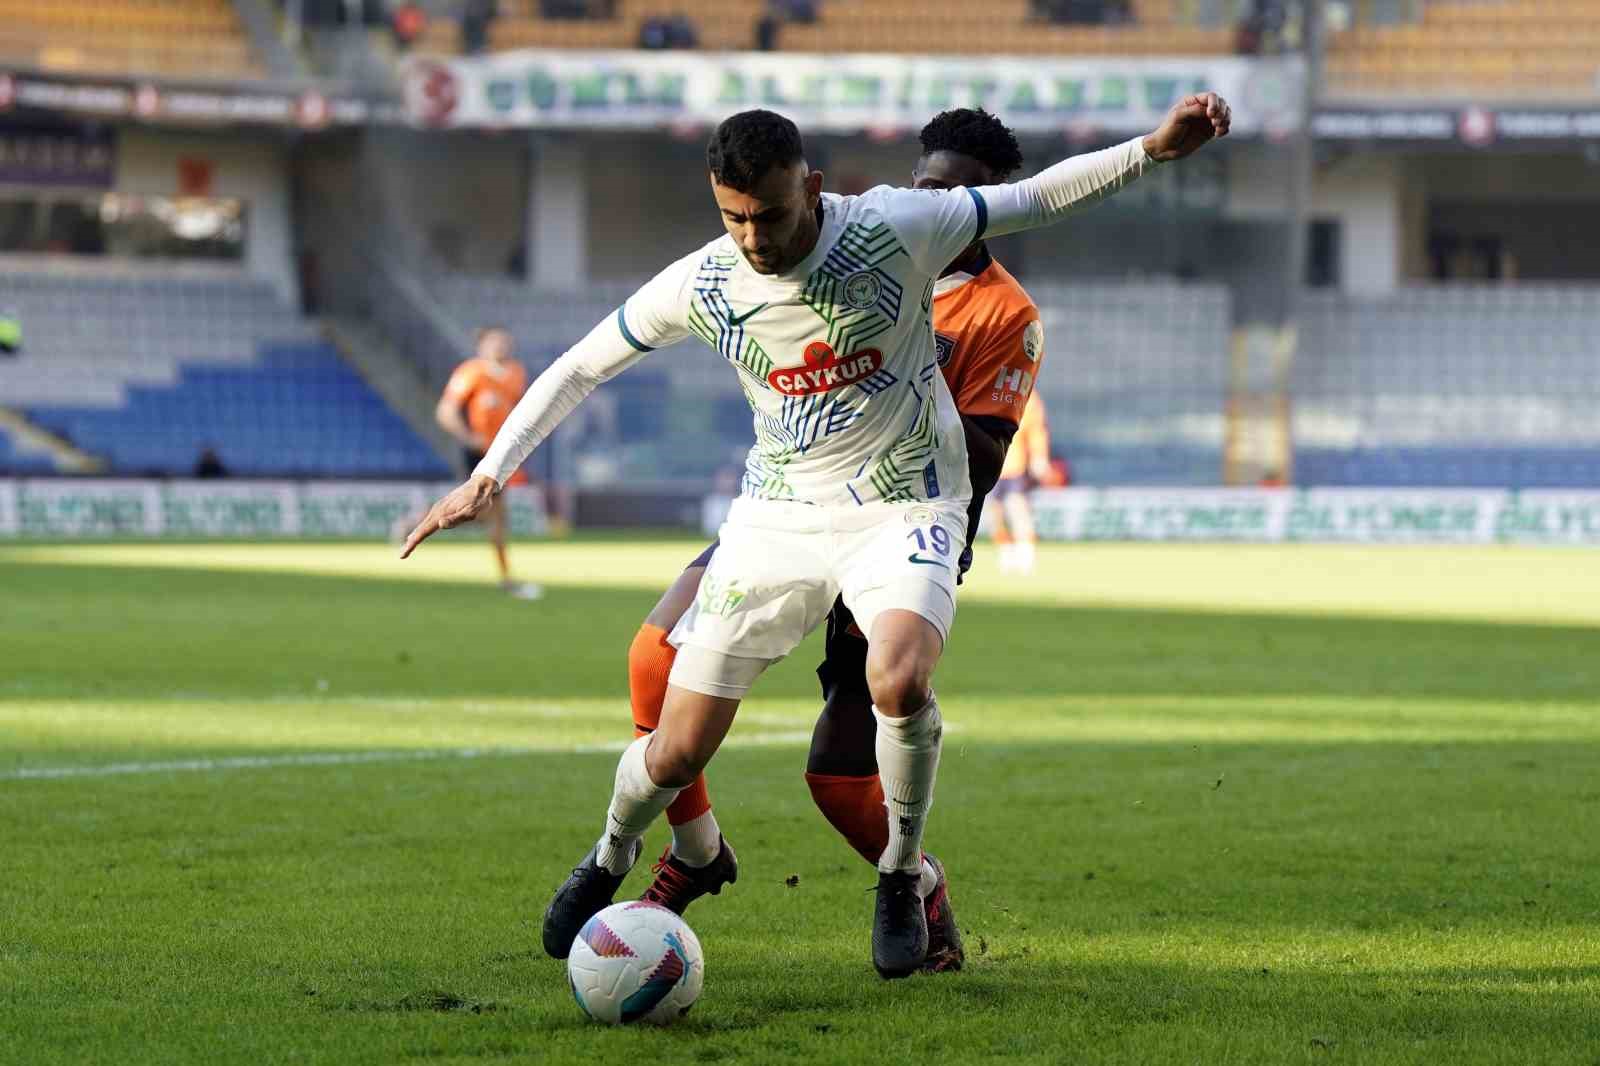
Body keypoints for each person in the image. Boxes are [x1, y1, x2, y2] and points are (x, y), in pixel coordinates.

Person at [403, 93, 1232, 977]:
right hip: (780, 515)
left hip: (904, 503)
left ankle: (903, 875)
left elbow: (1042, 197)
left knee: (898, 677)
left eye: (770, 214)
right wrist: (487, 472)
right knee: (679, 742)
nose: (754, 237)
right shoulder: (709, 279)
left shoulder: (897, 228)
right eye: (735, 218)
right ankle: (612, 854)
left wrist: (1152, 149)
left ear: (815, 187)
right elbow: (580, 365)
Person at [620, 107, 1049, 975]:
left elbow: (988, 455)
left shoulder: (1007, 313)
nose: (937, 198)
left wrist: (892, 363)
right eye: (928, 183)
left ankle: (918, 886)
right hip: (792, 510)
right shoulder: (860, 245)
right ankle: (693, 852)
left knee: (836, 776)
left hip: (899, 533)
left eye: (961, 191)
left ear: (994, 205)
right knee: (655, 657)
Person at [434, 327, 541, 598]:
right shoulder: (471, 372)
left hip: (503, 452)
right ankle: (507, 580)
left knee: (488, 512)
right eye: (494, 341)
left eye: (505, 340)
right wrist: (468, 438)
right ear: (481, 345)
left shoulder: (516, 373)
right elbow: (446, 411)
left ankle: (421, 521)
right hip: (481, 453)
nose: (500, 346)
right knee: (489, 513)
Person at [989, 391, 1056, 575]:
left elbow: (1037, 429)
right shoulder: (989, 386)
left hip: (1014, 465)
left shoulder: (1028, 395)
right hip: (991, 464)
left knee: (1018, 508)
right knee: (996, 513)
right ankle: (1006, 554)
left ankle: (1026, 554)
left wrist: (1039, 458)